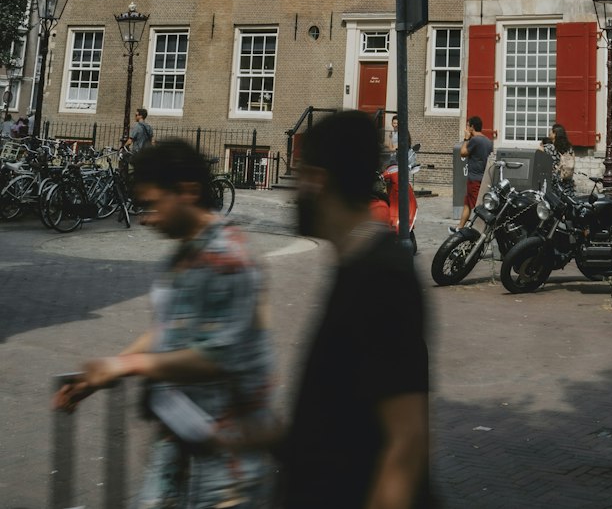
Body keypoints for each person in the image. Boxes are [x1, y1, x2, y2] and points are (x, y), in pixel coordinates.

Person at [54, 139, 276, 509]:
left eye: (153, 204)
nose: (146, 218)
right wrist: (99, 377)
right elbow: (173, 330)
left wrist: (126, 366)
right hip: (183, 445)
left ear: (187, 192)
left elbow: (218, 355)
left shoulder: (227, 258)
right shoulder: (189, 251)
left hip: (227, 465)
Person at [282, 110, 429, 509]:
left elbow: (405, 442)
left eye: (299, 175)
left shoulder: (381, 278)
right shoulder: (352, 264)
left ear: (318, 181)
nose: (293, 191)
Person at [455, 115, 493, 231]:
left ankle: (478, 230)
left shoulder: (475, 140)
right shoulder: (488, 141)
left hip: (474, 178)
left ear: (472, 127)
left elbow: (462, 152)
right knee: (467, 203)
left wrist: (466, 139)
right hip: (482, 177)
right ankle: (459, 227)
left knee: (477, 206)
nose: (466, 128)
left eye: (467, 125)